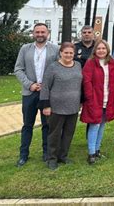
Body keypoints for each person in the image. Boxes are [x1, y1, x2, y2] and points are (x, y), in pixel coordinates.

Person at [14, 23, 59, 167]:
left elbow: (58, 70)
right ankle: (23, 155)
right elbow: (18, 69)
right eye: (37, 32)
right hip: (29, 93)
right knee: (27, 125)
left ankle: (46, 153)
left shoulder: (55, 49)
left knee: (47, 125)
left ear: (48, 33)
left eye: (43, 32)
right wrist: (30, 84)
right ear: (33, 33)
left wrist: (47, 86)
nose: (40, 34)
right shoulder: (25, 49)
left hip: (47, 94)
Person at [39, 42, 82, 170]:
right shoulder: (53, 67)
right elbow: (45, 87)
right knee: (54, 134)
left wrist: (80, 102)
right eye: (66, 52)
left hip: (73, 107)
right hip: (56, 107)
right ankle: (52, 158)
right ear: (61, 53)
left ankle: (63, 156)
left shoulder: (78, 65)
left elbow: (80, 85)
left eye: (71, 53)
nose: (68, 55)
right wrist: (45, 106)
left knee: (69, 133)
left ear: (74, 54)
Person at [80, 40, 114, 164]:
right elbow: (86, 81)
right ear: (95, 50)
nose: (101, 51)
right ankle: (91, 152)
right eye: (99, 48)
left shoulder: (112, 62)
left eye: (103, 48)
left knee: (102, 125)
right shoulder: (90, 63)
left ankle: (97, 150)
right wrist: (89, 96)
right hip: (95, 99)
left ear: (107, 50)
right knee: (94, 125)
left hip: (108, 99)